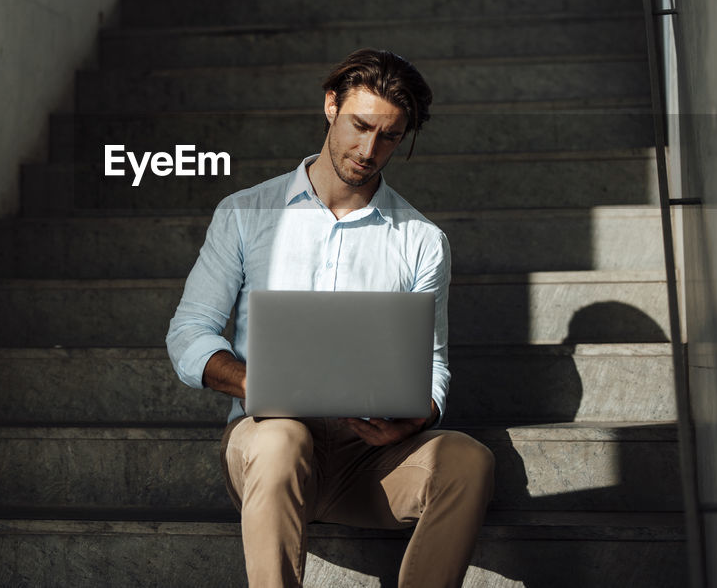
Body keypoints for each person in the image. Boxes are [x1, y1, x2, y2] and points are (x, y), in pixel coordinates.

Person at [166, 48, 495, 588]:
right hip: (267, 443)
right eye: (359, 126)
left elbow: (432, 364)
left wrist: (414, 418)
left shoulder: (422, 241)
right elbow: (188, 335)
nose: (368, 150)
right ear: (330, 106)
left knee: (469, 460)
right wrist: (257, 382)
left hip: (366, 458)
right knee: (280, 440)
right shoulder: (245, 213)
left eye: (388, 136)